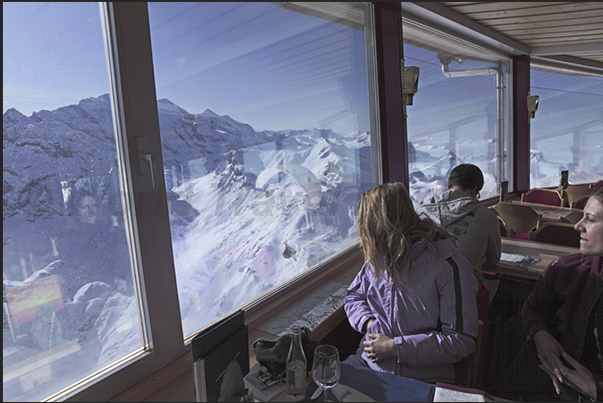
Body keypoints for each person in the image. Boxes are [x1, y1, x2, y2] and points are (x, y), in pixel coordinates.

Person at [344, 182, 479, 385]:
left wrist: (396, 348)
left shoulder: (448, 266)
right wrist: (369, 323)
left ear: (382, 228)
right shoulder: (378, 259)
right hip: (371, 365)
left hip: (423, 376)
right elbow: (354, 295)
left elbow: (460, 340)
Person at [505, 185, 603, 401]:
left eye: (591, 219)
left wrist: (595, 389)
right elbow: (533, 307)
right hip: (547, 390)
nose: (578, 226)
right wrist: (541, 334)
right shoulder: (564, 270)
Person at [415, 163, 501, 303]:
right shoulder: (487, 215)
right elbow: (493, 260)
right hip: (469, 293)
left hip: (426, 294)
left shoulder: (421, 211)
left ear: (450, 186)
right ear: (474, 191)